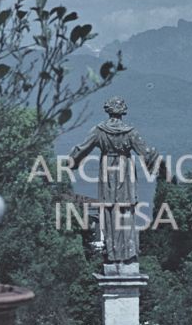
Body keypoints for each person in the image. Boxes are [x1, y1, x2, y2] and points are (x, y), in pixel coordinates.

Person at [67, 97, 160, 267]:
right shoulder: (130, 132)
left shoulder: (99, 131)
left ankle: (112, 253)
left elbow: (82, 148)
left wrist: (70, 162)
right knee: (125, 211)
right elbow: (146, 152)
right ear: (123, 110)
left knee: (109, 211)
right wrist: (156, 164)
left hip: (107, 171)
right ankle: (128, 253)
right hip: (125, 170)